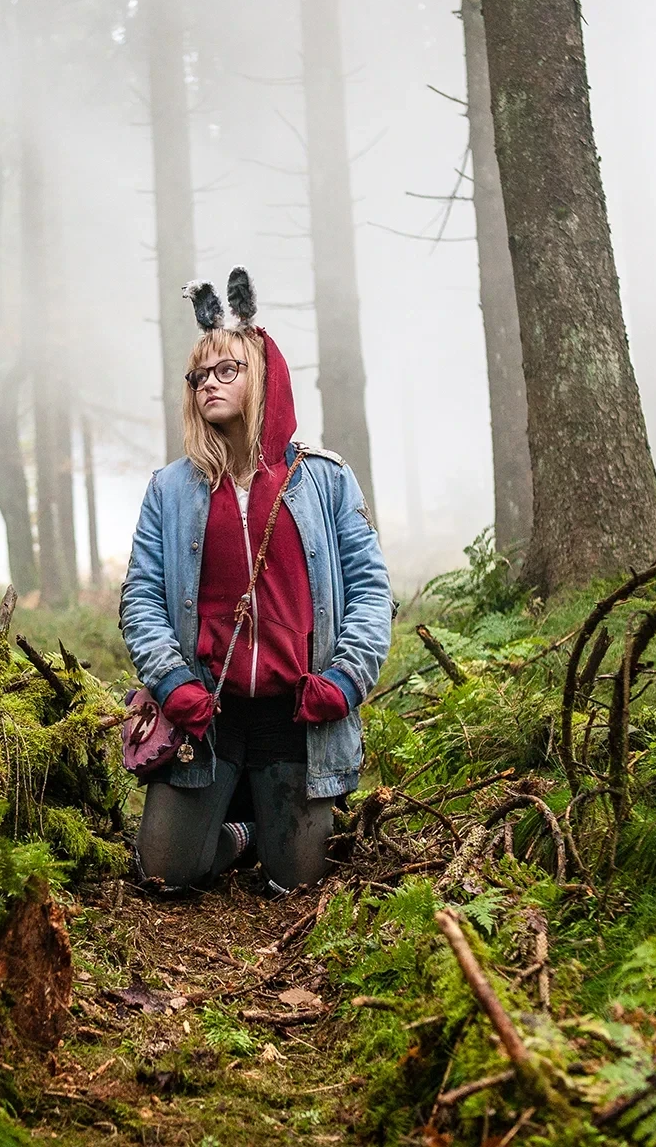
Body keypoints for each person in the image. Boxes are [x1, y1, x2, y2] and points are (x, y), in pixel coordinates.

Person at [119, 268, 393, 893]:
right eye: (198, 377)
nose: (208, 384)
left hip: (295, 714)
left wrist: (345, 680)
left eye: (226, 370)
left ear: (262, 375)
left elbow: (372, 590)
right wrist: (172, 682)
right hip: (205, 714)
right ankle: (238, 831)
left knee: (300, 879)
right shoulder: (170, 490)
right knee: (164, 874)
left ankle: (266, 822)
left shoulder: (325, 480)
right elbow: (140, 597)